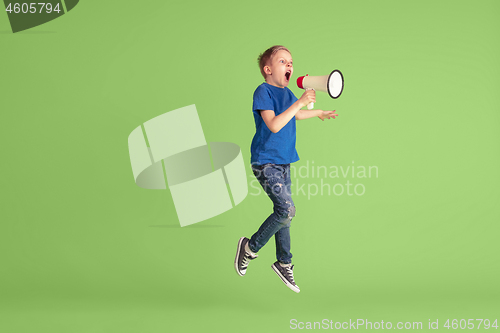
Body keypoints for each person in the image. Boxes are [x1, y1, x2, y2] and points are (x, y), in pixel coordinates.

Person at [234, 45, 338, 293]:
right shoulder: (263, 91)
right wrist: (300, 102)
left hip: (284, 161)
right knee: (287, 209)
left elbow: (295, 116)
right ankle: (250, 247)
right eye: (283, 61)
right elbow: (274, 124)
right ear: (268, 69)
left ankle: (284, 262)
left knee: (285, 215)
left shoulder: (288, 93)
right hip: (265, 161)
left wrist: (318, 112)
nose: (289, 65)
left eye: (291, 62)